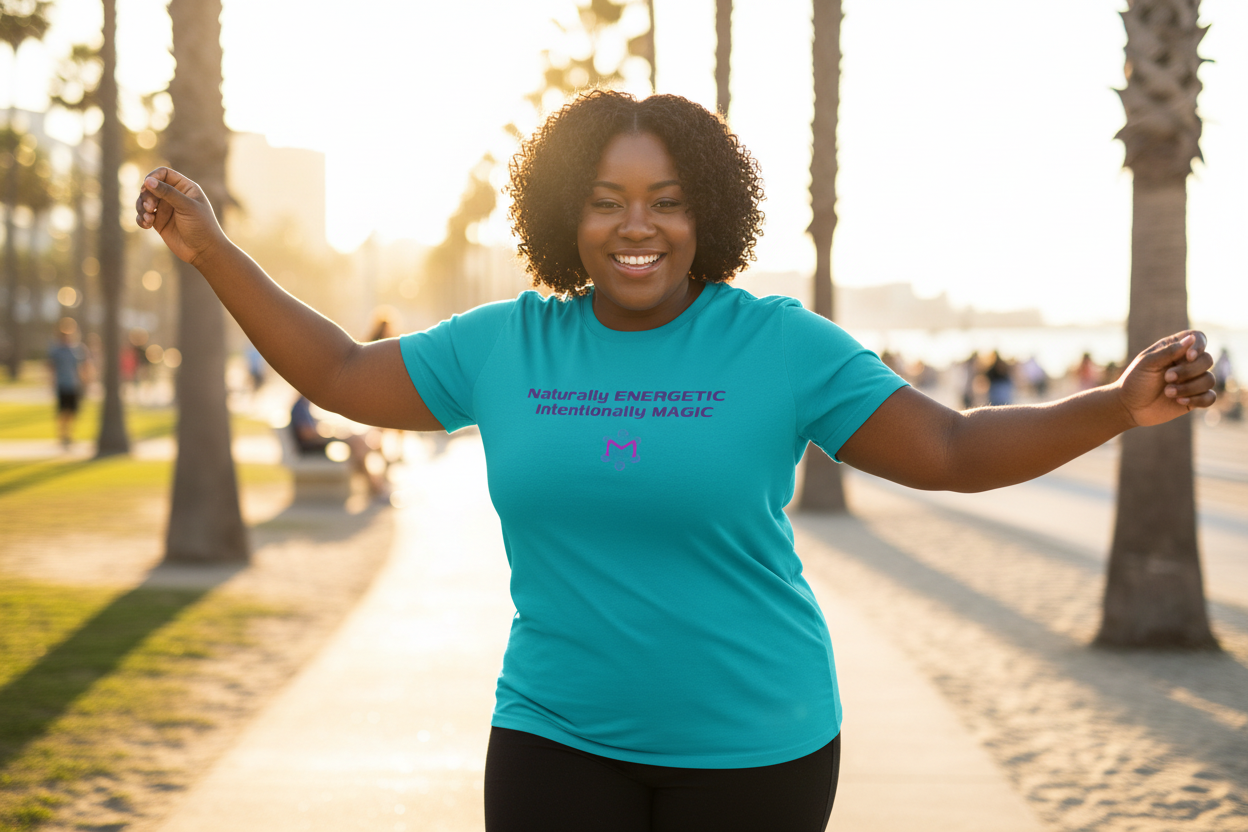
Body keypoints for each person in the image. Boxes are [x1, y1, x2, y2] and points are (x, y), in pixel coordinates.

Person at [134, 90, 1216, 832]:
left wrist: (1117, 406)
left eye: (664, 200)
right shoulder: (509, 342)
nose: (633, 226)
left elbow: (949, 445)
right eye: (604, 200)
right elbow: (335, 367)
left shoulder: (779, 343)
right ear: (568, 214)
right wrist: (212, 249)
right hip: (554, 734)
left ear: (708, 212)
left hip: (759, 744)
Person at [47, 318, 89, 449]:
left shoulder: (77, 349)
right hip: (62, 384)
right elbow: (51, 367)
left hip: (74, 385)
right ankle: (63, 435)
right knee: (62, 411)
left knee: (72, 411)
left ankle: (69, 434)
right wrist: (51, 383)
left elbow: (83, 367)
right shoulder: (56, 350)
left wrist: (85, 382)